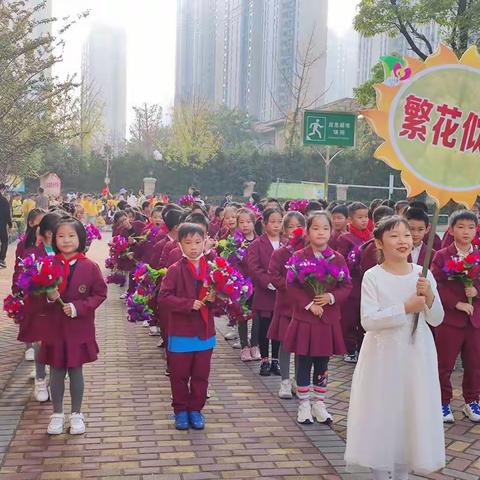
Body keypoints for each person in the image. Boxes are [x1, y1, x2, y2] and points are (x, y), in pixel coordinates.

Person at [345, 216, 445, 479]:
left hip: (417, 355)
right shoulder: (373, 277)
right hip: (383, 356)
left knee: (410, 413)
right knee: (383, 413)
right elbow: (368, 320)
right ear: (379, 242)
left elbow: (437, 318)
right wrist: (405, 308)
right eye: (394, 235)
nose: (403, 241)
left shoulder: (423, 275)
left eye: (407, 235)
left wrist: (430, 296)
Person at [284, 211, 352, 424]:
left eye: (325, 228)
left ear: (331, 232)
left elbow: (346, 285)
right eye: (316, 228)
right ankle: (304, 404)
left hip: (327, 320)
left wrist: (331, 297)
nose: (320, 232)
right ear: (307, 231)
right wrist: (310, 304)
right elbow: (290, 285)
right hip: (306, 318)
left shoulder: (337, 258)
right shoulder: (298, 257)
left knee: (323, 362)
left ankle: (319, 403)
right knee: (303, 360)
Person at [41, 217, 107, 435]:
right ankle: (57, 414)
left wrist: (79, 307)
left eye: (71, 236)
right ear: (53, 239)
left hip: (79, 328)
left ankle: (76, 413)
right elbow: (36, 294)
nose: (66, 240)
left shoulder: (90, 266)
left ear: (81, 238)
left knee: (76, 370)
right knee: (56, 371)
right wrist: (49, 297)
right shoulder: (48, 265)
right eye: (61, 236)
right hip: (55, 327)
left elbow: (100, 293)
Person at [158, 223, 216, 430]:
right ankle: (181, 410)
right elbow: (164, 297)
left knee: (201, 375)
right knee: (179, 375)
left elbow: (219, 300)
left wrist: (216, 297)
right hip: (181, 331)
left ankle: (196, 410)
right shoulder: (175, 270)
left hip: (204, 332)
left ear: (205, 241)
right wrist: (188, 303)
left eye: (198, 242)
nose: (193, 247)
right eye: (188, 242)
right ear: (179, 244)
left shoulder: (212, 268)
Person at [431, 210, 480, 423]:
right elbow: (436, 285)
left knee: (474, 363)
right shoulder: (442, 255)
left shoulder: (478, 255)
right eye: (460, 227)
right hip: (450, 320)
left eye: (471, 227)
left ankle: (472, 400)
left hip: (475, 321)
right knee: (445, 363)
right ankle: (442, 401)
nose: (466, 231)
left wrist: (476, 291)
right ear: (451, 229)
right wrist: (456, 303)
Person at [267, 211, 306, 398]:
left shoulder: (310, 252)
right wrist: (291, 286)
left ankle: (299, 381)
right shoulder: (280, 253)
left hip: (303, 307)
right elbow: (274, 276)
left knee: (301, 346)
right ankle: (284, 381)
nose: (294, 230)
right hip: (285, 306)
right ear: (284, 230)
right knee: (284, 344)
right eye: (290, 226)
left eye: (299, 226)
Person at [247, 208, 283, 376]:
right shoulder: (256, 244)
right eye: (273, 222)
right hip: (265, 292)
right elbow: (254, 267)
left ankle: (276, 360)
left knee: (278, 328)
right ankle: (264, 360)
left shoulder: (286, 243)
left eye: (279, 221)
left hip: (282, 293)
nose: (276, 225)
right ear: (264, 223)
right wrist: (268, 282)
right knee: (265, 328)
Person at [337, 202, 372, 363]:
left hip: (367, 284)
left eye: (366, 217)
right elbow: (340, 261)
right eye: (360, 217)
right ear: (350, 219)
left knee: (363, 318)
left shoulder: (371, 236)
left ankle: (362, 347)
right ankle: (349, 349)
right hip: (352, 285)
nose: (364, 220)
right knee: (349, 319)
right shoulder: (345, 238)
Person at [0, 184, 12, 268]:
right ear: (2, 189)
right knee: (4, 241)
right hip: (1, 224)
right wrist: (10, 223)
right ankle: (1, 259)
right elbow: (7, 213)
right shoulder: (4, 200)